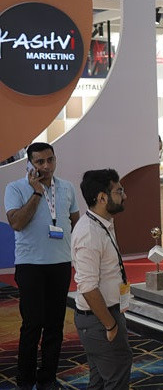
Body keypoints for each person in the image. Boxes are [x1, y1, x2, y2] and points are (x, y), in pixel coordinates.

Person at [4, 142, 79, 390]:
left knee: (55, 325)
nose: (46, 166)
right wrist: (36, 192)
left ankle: (48, 378)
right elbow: (17, 223)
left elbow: (75, 222)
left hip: (61, 264)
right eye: (40, 162)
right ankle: (25, 380)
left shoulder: (67, 188)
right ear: (30, 164)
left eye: (50, 160)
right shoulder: (15, 188)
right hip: (31, 265)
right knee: (32, 325)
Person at [72, 169, 132, 389]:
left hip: (104, 315)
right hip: (99, 318)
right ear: (102, 197)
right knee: (116, 377)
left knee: (99, 380)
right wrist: (110, 324)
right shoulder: (90, 233)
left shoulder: (101, 223)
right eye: (119, 191)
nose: (124, 196)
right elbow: (88, 288)